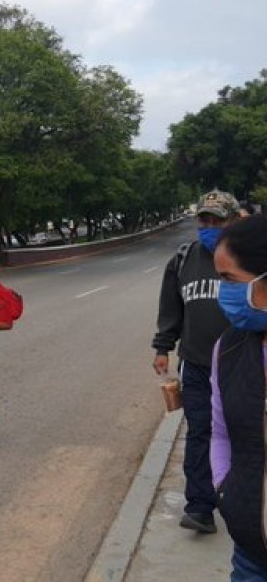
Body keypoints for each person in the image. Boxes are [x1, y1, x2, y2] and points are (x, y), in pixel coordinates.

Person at [151, 190, 240, 534]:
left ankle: (239, 502)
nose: (210, 225)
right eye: (204, 219)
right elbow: (171, 309)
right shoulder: (183, 259)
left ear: (232, 220)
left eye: (218, 220)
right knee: (199, 433)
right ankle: (200, 507)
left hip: (240, 365)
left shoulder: (247, 257)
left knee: (243, 435)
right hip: (197, 365)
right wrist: (162, 347)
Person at [210, 215, 267, 580]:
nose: (223, 292)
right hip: (251, 554)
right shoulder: (228, 348)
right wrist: (224, 490)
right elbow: (220, 433)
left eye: (229, 279)